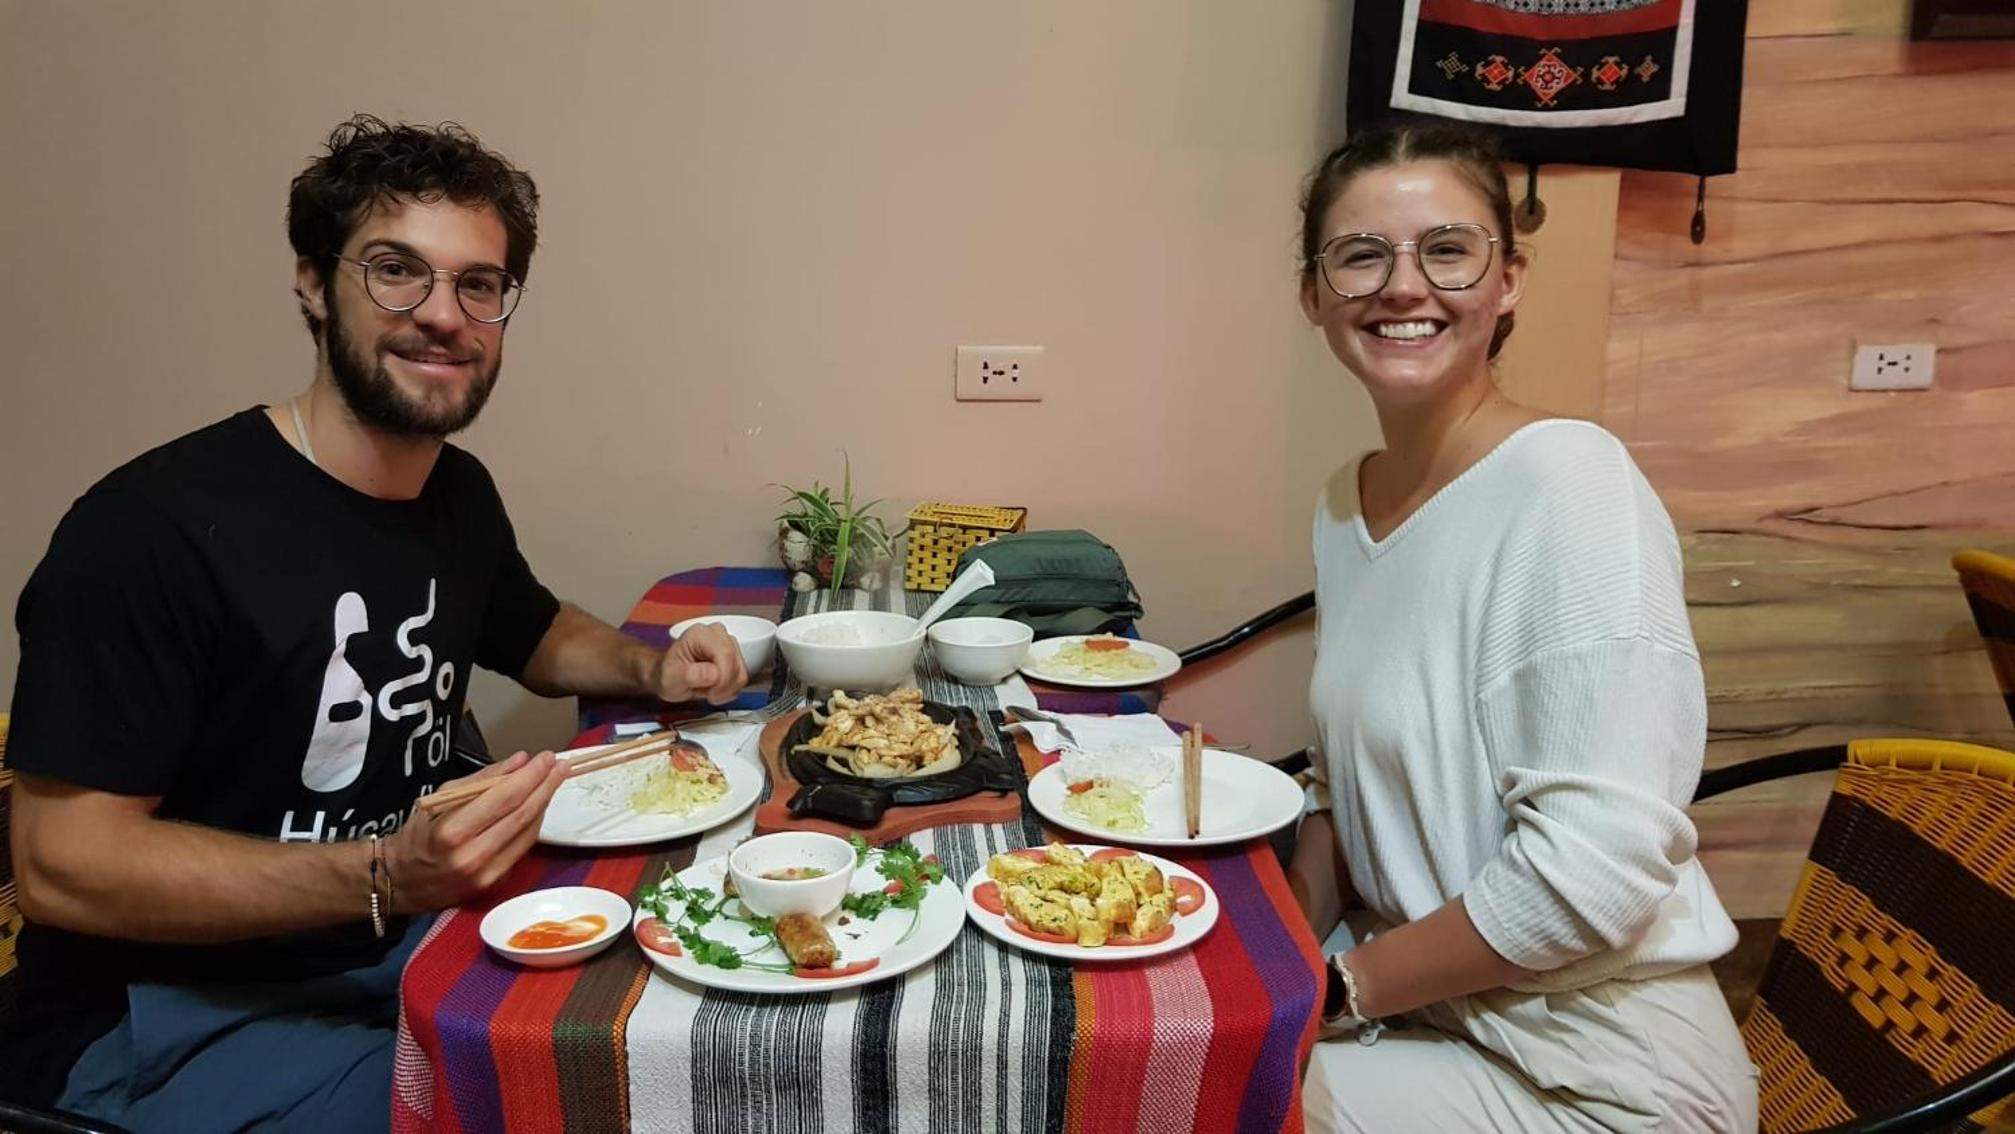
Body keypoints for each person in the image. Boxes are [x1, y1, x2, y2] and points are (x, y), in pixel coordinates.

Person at [2, 115, 747, 1129]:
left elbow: (532, 633)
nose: (442, 313)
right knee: (560, 1105)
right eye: (397, 271)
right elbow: (59, 867)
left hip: (398, 948)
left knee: (681, 1021)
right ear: (313, 283)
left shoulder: (453, 492)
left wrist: (647, 668)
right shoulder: (149, 531)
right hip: (161, 1024)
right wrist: (385, 875)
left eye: (477, 284)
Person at [1288, 120, 1760, 1132]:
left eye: (1446, 250)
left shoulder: (1568, 483)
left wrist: (1332, 993)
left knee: (1167, 1102)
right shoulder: (1343, 502)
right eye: (1359, 255)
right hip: (1433, 1016)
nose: (1401, 286)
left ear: (1506, 280)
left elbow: (1593, 873)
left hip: (1595, 1073)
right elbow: (1338, 791)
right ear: (1312, 295)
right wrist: (1273, 960)